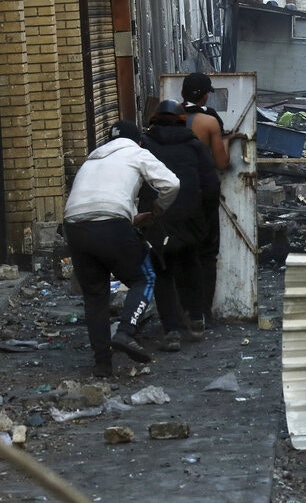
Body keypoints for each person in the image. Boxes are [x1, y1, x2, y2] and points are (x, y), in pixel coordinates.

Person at [63, 120, 180, 377]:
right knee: (144, 277)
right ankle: (127, 331)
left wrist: (131, 217)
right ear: (138, 141)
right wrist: (159, 209)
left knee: (95, 297)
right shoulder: (136, 152)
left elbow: (96, 199)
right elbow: (171, 184)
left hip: (74, 226)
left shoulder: (92, 159)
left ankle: (102, 364)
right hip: (111, 224)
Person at [141, 100, 219, 349]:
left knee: (162, 272)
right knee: (190, 267)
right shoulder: (195, 147)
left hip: (157, 219)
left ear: (153, 120)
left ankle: (171, 330)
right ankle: (196, 319)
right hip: (189, 221)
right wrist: (203, 220)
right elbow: (211, 187)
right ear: (182, 121)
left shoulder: (144, 147)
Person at [180, 72, 227, 328]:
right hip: (202, 192)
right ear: (206, 94)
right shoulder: (209, 122)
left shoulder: (164, 117)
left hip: (172, 193)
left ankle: (180, 310)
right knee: (206, 254)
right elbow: (222, 162)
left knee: (179, 251)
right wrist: (228, 141)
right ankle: (202, 313)